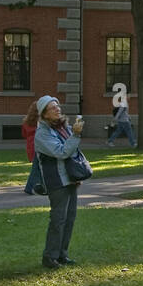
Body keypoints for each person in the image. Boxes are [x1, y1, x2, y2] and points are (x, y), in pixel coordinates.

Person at [32, 94, 85, 268]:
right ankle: (50, 257)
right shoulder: (42, 134)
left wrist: (78, 173)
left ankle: (62, 255)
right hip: (57, 182)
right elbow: (62, 152)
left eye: (58, 106)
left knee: (69, 219)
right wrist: (75, 135)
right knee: (58, 220)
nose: (57, 109)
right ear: (44, 114)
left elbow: (73, 151)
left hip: (70, 179)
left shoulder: (63, 127)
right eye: (53, 108)